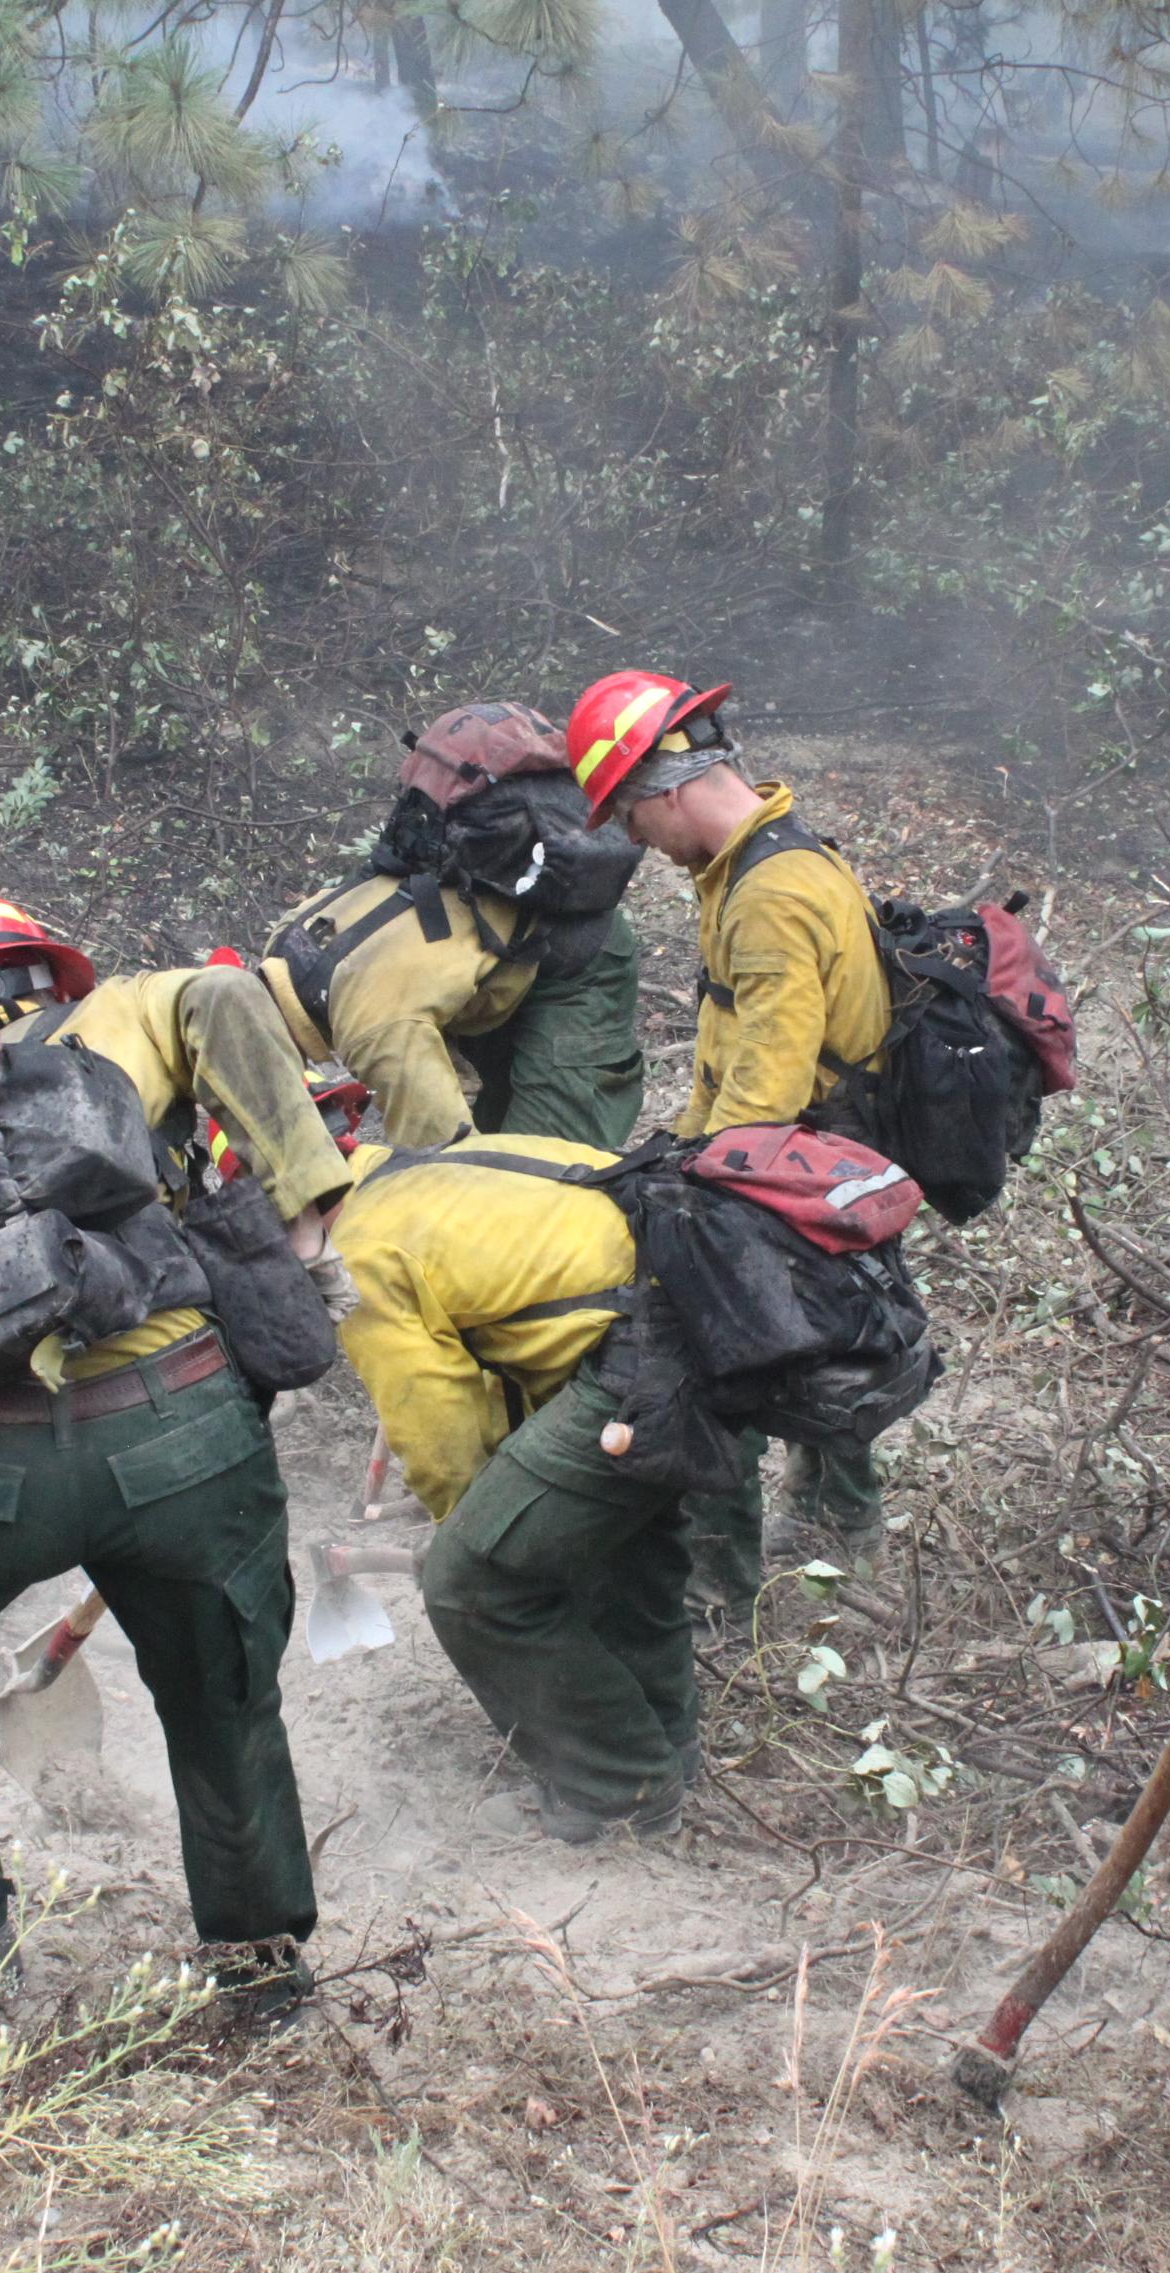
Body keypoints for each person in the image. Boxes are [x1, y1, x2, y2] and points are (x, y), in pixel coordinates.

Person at [0, 891, 353, 2011]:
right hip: (183, 1431)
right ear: (60, 979)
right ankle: (258, 1971)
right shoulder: (133, 1014)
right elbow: (221, 995)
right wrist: (310, 1219)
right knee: (221, 1693)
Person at [566, 668, 889, 1603]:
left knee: (722, 1351)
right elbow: (739, 1043)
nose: (632, 840)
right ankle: (842, 1521)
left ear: (664, 790)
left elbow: (767, 1093)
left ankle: (722, 1590)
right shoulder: (761, 859)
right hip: (829, 1153)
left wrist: (694, 1192)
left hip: (796, 1158)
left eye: (628, 817)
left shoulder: (769, 895)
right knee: (826, 1340)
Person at [326, 1132, 697, 1843]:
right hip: (696, 1316)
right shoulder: (433, 1164)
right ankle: (666, 1747)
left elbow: (441, 1437)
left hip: (641, 1356)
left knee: (471, 1582)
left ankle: (619, 1789)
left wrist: (474, 1532)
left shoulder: (359, 1252)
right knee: (623, 1538)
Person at [263, 703, 648, 1154]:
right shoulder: (289, 939)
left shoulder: (376, 1025)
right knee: (495, 1130)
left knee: (536, 1171)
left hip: (573, 955)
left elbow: (448, 1163)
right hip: (491, 949)